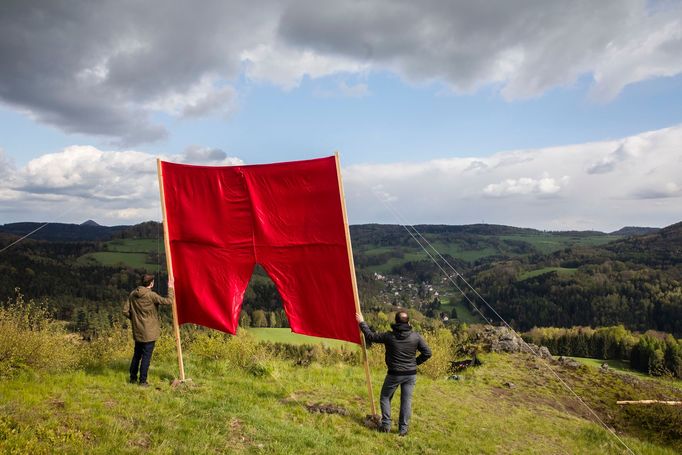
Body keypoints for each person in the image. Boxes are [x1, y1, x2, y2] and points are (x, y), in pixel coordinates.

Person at [356, 310, 432, 436]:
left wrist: (362, 322)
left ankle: (386, 425)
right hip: (410, 374)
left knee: (385, 397)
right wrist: (414, 363)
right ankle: (403, 430)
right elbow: (428, 353)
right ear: (408, 322)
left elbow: (370, 336)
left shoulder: (389, 336)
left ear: (396, 322)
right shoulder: (416, 336)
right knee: (406, 400)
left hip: (394, 374)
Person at [123, 274, 174, 386]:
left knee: (137, 355)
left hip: (138, 331)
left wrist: (134, 318)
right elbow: (169, 301)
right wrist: (170, 287)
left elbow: (125, 311)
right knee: (146, 357)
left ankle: (132, 379)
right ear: (151, 284)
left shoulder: (133, 294)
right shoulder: (151, 295)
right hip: (149, 332)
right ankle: (142, 381)